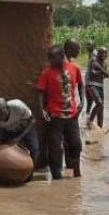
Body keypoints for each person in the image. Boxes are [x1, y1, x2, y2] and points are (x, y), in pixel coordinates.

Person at [37, 45, 83, 179]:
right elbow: (40, 92)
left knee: (76, 145)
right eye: (49, 58)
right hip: (55, 115)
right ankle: (57, 176)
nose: (50, 61)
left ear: (61, 55)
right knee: (55, 147)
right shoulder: (47, 73)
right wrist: (42, 110)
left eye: (52, 58)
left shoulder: (74, 68)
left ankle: (75, 171)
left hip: (72, 114)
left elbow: (81, 84)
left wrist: (82, 101)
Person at [0, 97, 39, 180]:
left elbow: (32, 120)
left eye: (2, 114)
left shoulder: (18, 106)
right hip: (7, 131)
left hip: (25, 128)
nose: (0, 117)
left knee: (34, 148)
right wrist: (3, 145)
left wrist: (19, 138)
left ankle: (29, 175)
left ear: (7, 108)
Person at [87, 47, 109, 128]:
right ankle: (91, 120)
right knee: (99, 103)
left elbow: (107, 75)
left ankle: (100, 127)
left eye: (105, 53)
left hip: (100, 85)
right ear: (98, 54)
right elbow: (93, 73)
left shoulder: (105, 64)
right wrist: (102, 71)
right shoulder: (93, 60)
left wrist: (100, 69)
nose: (104, 55)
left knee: (101, 107)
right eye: (102, 53)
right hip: (92, 84)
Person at [84, 39, 97, 115]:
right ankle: (88, 115)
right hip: (89, 80)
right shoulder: (91, 53)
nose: (87, 47)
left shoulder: (94, 54)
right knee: (89, 99)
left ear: (93, 46)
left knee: (94, 99)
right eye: (87, 45)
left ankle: (91, 117)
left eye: (89, 45)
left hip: (92, 81)